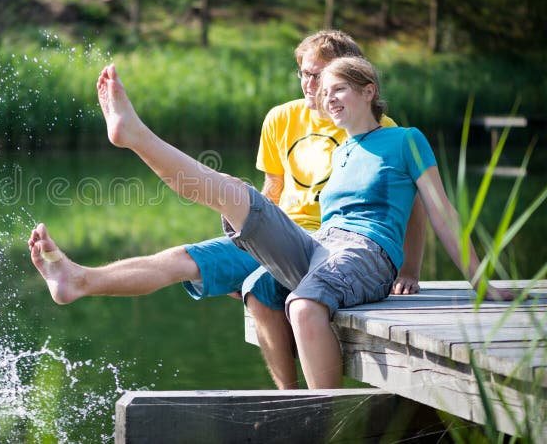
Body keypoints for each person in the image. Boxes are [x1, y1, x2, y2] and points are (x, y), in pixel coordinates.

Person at [36, 56, 517, 389]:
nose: (327, 100)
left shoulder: (406, 140)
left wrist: (481, 282)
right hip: (320, 245)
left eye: (339, 90)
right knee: (231, 192)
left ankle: (320, 418)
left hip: (367, 253)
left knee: (304, 306)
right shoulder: (344, 151)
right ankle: (135, 135)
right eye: (322, 92)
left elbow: (441, 213)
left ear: (369, 91)